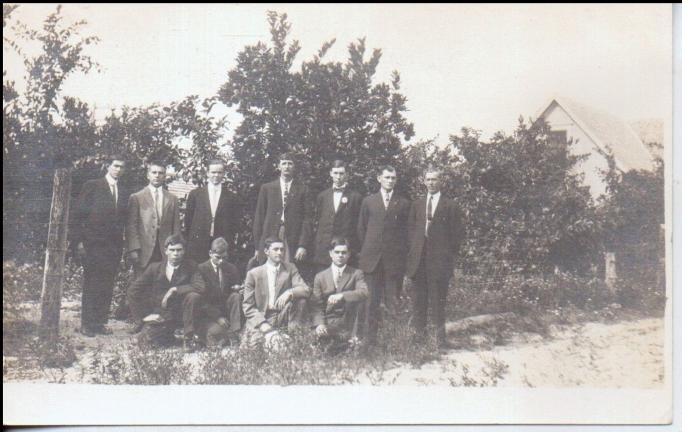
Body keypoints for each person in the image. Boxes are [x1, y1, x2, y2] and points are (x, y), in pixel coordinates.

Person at [406, 168, 465, 349]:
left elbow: (458, 235)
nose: (431, 182)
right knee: (419, 301)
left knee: (438, 301)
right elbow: (410, 231)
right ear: (424, 181)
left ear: (441, 181)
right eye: (428, 179)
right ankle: (419, 338)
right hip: (419, 261)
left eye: (435, 179)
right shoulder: (417, 204)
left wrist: (446, 255)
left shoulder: (451, 205)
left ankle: (440, 340)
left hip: (439, 262)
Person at [71, 155, 128, 337]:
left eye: (121, 167)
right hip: (93, 245)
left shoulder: (123, 190)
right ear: (107, 166)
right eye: (116, 166)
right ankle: (87, 323)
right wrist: (78, 242)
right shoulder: (93, 186)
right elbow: (78, 216)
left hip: (113, 247)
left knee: (107, 284)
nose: (118, 170)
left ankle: (100, 322)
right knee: (92, 283)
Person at [357, 165, 411, 343]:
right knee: (370, 303)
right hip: (372, 260)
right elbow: (361, 229)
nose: (390, 181)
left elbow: (406, 233)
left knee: (392, 303)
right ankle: (369, 342)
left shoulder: (403, 203)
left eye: (393, 178)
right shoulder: (369, 201)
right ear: (379, 178)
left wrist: (400, 257)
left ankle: (393, 341)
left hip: (393, 262)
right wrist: (368, 251)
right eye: (387, 177)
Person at [126, 161, 182, 333]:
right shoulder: (137, 197)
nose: (157, 176)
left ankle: (159, 320)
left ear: (165, 176)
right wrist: (134, 248)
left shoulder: (172, 199)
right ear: (148, 175)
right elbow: (131, 225)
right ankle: (138, 319)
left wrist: (174, 250)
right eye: (154, 172)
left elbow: (176, 227)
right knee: (140, 284)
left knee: (160, 285)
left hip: (163, 250)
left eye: (161, 173)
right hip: (144, 249)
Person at [128, 234, 200, 351]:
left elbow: (199, 286)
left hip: (183, 315)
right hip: (161, 315)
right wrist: (144, 317)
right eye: (172, 250)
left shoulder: (191, 266)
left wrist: (175, 289)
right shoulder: (155, 268)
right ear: (166, 251)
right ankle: (168, 336)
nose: (175, 254)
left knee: (193, 296)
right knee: (144, 342)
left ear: (184, 251)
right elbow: (133, 291)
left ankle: (188, 338)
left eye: (179, 250)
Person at [242, 237, 310, 346]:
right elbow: (248, 306)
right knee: (255, 349)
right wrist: (262, 324)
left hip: (283, 315)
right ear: (266, 251)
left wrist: (290, 293)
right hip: (263, 317)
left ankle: (296, 337)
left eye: (282, 249)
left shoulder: (290, 268)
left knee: (301, 301)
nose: (280, 252)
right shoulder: (254, 274)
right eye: (276, 249)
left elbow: (305, 289)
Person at [252, 153, 313, 266]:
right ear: (279, 166)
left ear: (294, 167)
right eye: (284, 163)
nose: (287, 166)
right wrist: (257, 246)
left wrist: (302, 245)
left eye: (290, 164)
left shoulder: (302, 190)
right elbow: (259, 217)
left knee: (288, 269)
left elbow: (307, 219)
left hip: (292, 237)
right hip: (270, 235)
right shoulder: (267, 188)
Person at [311, 237, 368, 354]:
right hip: (329, 320)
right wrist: (319, 324)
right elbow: (316, 305)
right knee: (322, 347)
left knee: (361, 303)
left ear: (349, 255)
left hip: (348, 320)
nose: (340, 255)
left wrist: (342, 295)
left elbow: (364, 292)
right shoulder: (320, 276)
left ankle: (354, 341)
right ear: (331, 254)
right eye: (337, 252)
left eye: (344, 252)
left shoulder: (356, 273)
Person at [190, 237, 243, 347]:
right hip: (208, 312)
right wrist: (217, 317)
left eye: (224, 257)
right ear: (210, 253)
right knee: (216, 333)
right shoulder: (200, 269)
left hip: (226, 311)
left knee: (235, 296)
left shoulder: (231, 268)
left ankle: (235, 332)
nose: (221, 261)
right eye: (218, 257)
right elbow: (201, 299)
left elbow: (233, 293)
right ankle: (214, 335)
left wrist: (238, 288)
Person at [312, 160, 362, 272]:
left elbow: (358, 225)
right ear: (330, 173)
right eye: (335, 173)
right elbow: (318, 220)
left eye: (341, 173)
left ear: (347, 175)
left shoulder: (355, 197)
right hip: (324, 250)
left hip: (345, 250)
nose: (338, 177)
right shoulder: (322, 196)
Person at [184, 159, 238, 263]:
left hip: (221, 241)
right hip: (198, 242)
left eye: (219, 172)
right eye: (213, 172)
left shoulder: (231, 197)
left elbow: (234, 223)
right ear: (207, 173)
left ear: (224, 174)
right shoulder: (195, 194)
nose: (216, 175)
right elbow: (188, 221)